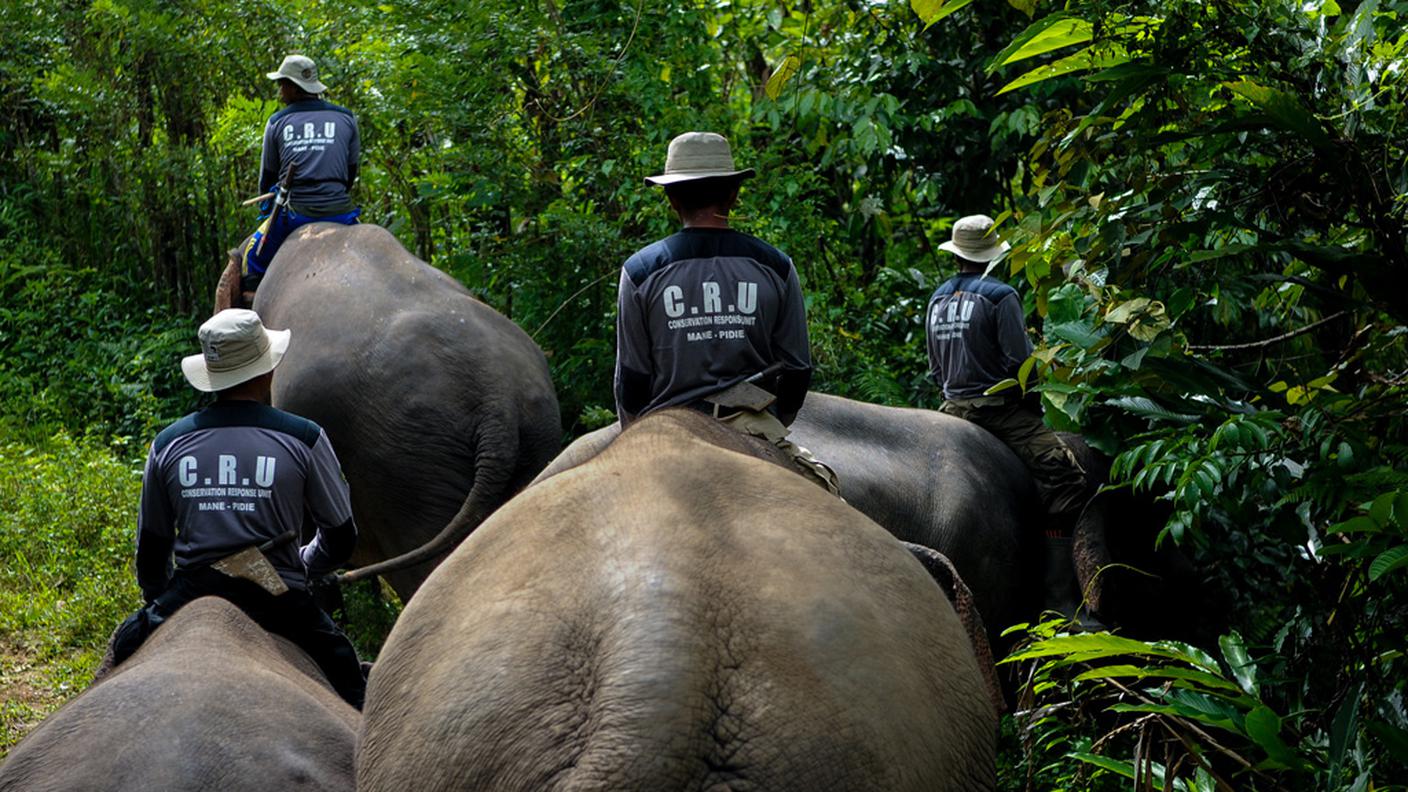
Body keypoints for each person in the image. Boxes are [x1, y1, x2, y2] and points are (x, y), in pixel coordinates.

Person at [109, 309, 366, 708]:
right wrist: (303, 563)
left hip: (192, 592)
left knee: (122, 651)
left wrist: (160, 603)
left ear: (212, 377)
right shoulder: (304, 438)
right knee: (347, 678)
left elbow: (152, 550)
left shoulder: (168, 443)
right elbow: (340, 536)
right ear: (267, 371)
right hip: (279, 597)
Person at [614, 131, 837, 494]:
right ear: (733, 194)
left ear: (671, 198)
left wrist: (636, 440)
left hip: (668, 432)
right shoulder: (776, 266)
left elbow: (632, 383)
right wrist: (775, 423)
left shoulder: (640, 272)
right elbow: (797, 370)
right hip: (752, 426)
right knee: (832, 516)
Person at [925, 214, 1093, 621]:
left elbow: (934, 370)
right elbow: (1021, 366)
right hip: (996, 412)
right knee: (1066, 473)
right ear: (990, 255)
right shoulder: (1001, 296)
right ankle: (1060, 598)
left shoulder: (937, 297)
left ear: (957, 254)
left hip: (950, 409)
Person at [241, 54, 361, 296]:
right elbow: (350, 174)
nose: (279, 91)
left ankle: (253, 310)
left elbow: (267, 179)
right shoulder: (346, 117)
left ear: (295, 88)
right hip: (342, 214)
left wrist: (268, 209)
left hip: (295, 215)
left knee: (250, 260)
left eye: (282, 84)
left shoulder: (277, 122)